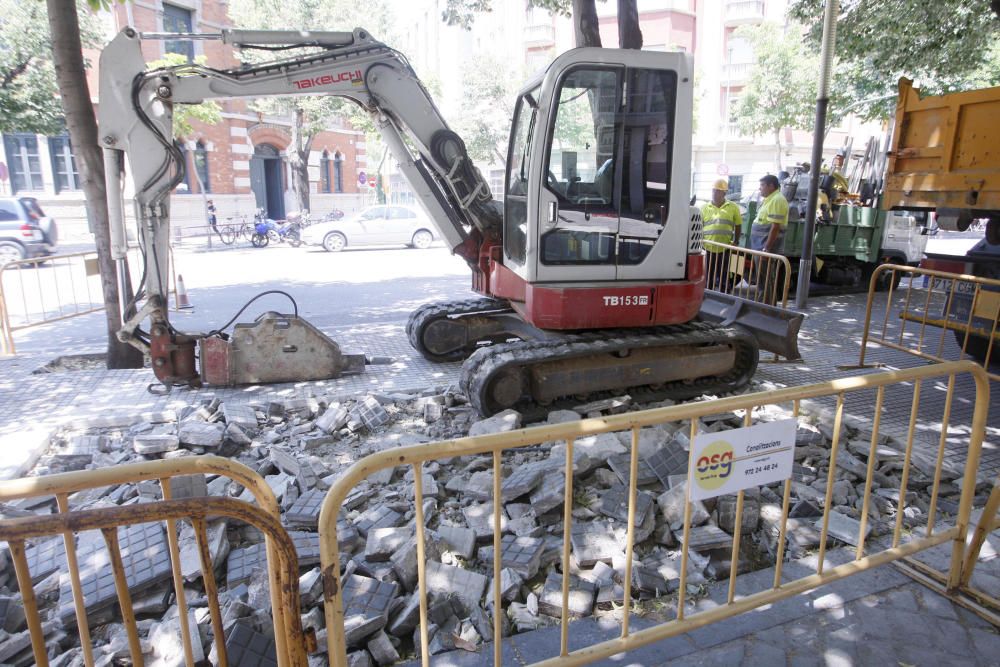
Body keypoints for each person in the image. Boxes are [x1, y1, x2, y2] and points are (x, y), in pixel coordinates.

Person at [750, 174, 789, 304]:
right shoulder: (770, 199)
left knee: (766, 279)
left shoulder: (777, 200)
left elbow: (775, 227)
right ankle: (765, 306)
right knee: (762, 279)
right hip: (760, 247)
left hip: (765, 248)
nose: (760, 188)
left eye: (762, 185)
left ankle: (766, 309)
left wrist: (767, 248)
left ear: (771, 186)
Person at [701, 178, 742, 291]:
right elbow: (699, 226)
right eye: (714, 190)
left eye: (718, 191)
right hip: (708, 247)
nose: (715, 193)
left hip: (725, 248)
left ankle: (725, 295)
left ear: (724, 193)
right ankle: (707, 293)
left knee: (724, 274)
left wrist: (736, 241)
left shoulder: (733, 207)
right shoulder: (704, 207)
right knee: (708, 274)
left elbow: (738, 225)